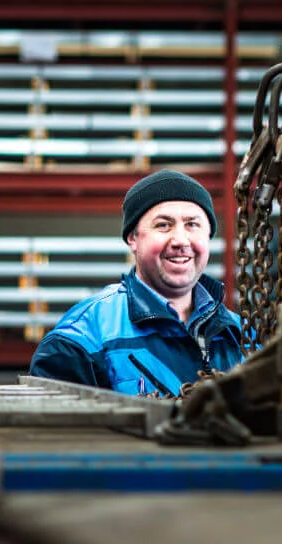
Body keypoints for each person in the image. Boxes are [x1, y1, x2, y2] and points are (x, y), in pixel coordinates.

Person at [29, 169, 245, 395]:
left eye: (192, 224)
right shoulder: (82, 340)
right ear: (133, 238)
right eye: (163, 225)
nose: (181, 240)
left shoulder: (240, 333)